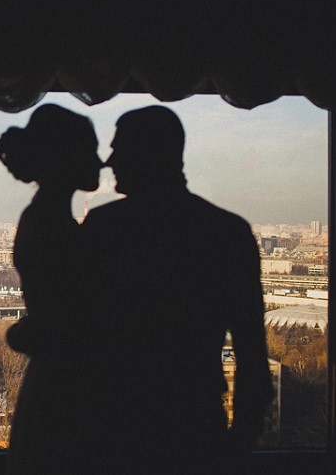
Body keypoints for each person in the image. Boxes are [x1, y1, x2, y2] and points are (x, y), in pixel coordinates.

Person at [82, 105, 274, 473]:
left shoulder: (103, 228)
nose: (109, 161)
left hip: (112, 432)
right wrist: (238, 449)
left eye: (119, 149)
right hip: (195, 429)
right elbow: (252, 358)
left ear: (147, 155)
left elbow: (78, 343)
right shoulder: (226, 233)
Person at [0, 104, 103, 474]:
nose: (100, 162)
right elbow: (71, 321)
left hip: (54, 388)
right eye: (91, 151)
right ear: (65, 158)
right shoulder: (52, 225)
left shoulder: (45, 217)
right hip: (65, 396)